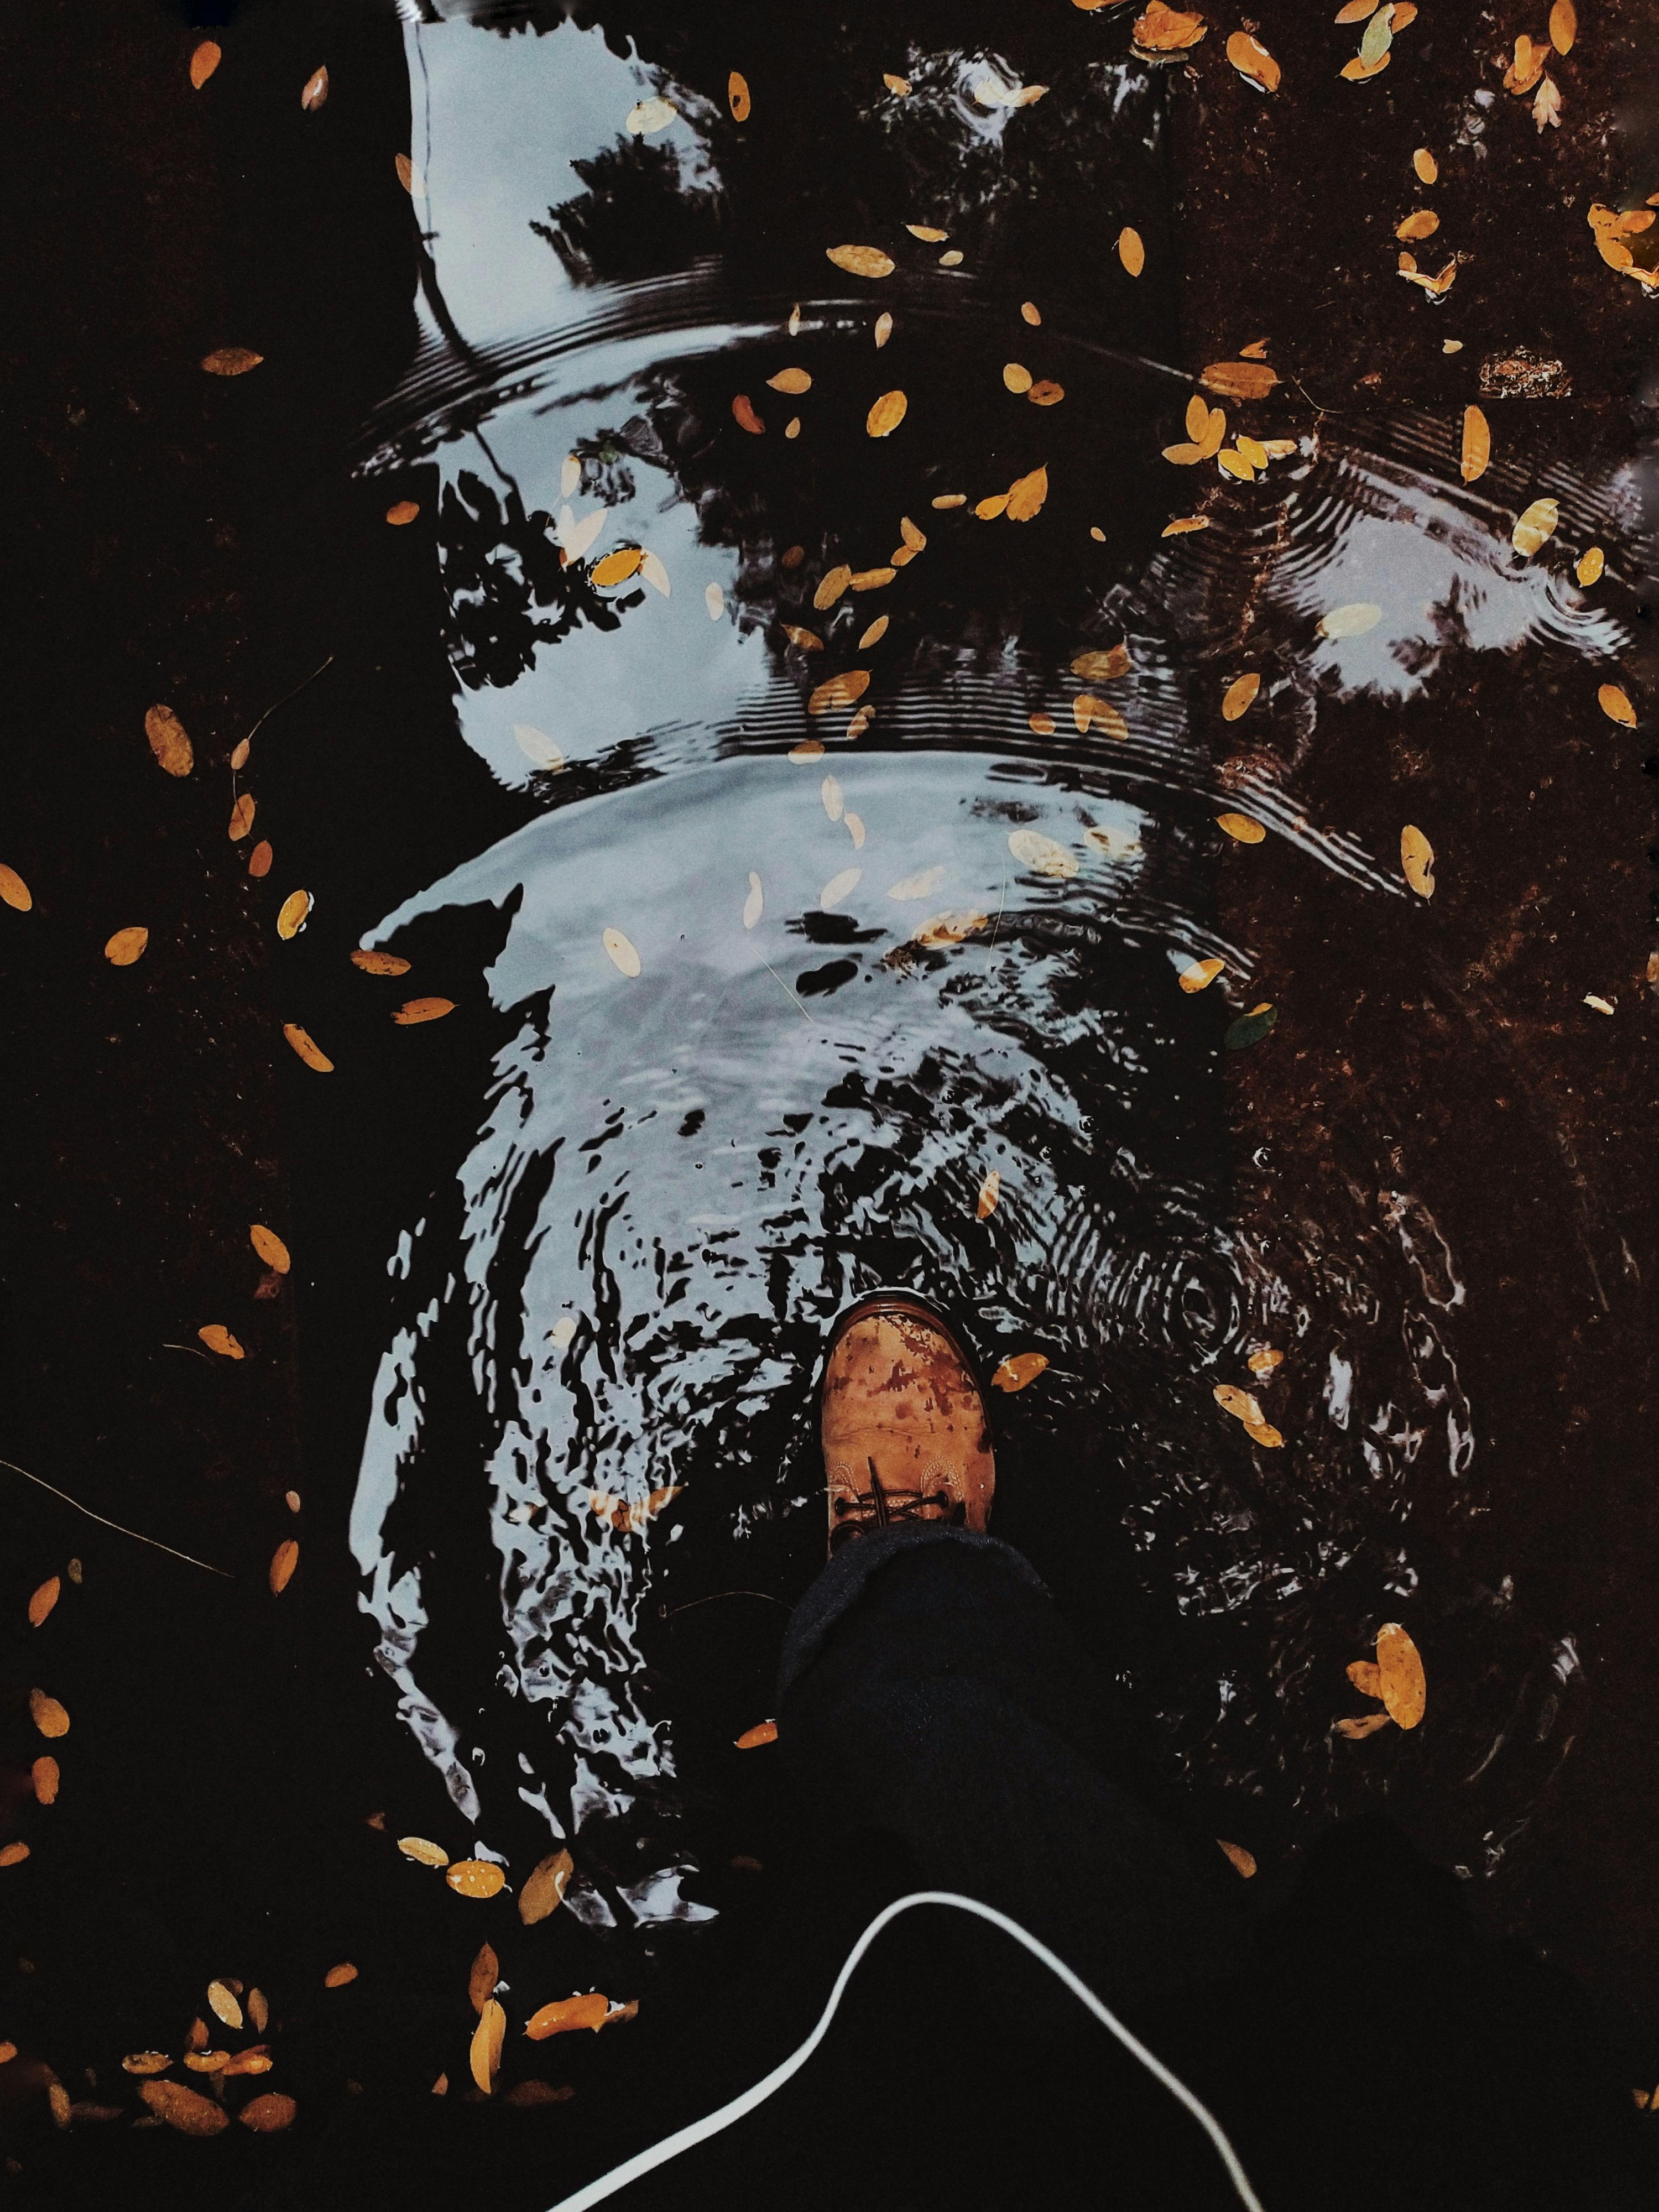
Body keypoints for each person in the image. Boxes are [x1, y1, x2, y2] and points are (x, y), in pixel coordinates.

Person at [601, 1292, 1651, 2211]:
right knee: (1013, 1801)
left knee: (929, 1780)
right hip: (1219, 2095)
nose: (899, 1389)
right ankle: (917, 1589)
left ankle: (892, 1577)